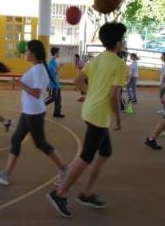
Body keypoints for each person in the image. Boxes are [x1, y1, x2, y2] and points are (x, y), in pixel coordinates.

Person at [47, 23, 127, 218]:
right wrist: (118, 117)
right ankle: (59, 193)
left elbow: (77, 81)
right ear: (117, 42)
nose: (125, 42)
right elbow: (113, 97)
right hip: (99, 114)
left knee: (105, 152)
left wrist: (91, 94)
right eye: (123, 39)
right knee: (86, 157)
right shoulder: (119, 64)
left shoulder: (98, 59)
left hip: (91, 110)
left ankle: (86, 192)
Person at [0, 40, 68, 187]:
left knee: (41, 144)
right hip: (28, 111)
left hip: (34, 113)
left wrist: (20, 84)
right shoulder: (36, 67)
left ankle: (64, 169)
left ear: (34, 53)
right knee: (16, 139)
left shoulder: (38, 69)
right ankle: (5, 174)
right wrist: (21, 83)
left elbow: (37, 93)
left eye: (28, 51)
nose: (25, 53)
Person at [45, 47, 65, 118]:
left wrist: (59, 67)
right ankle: (40, 105)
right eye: (58, 53)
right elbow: (53, 73)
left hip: (56, 83)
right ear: (56, 53)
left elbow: (55, 72)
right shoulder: (51, 62)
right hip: (53, 84)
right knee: (52, 97)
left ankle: (57, 112)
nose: (59, 54)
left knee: (58, 98)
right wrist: (60, 66)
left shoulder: (54, 61)